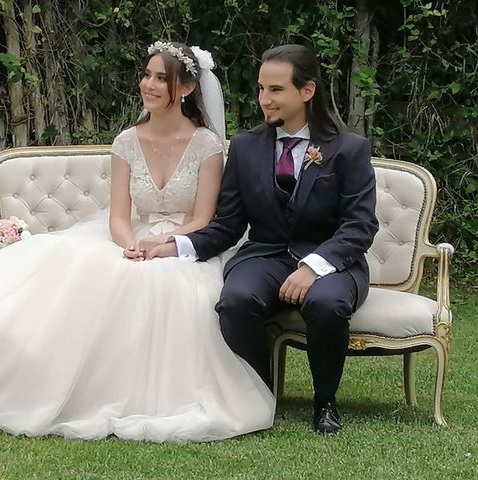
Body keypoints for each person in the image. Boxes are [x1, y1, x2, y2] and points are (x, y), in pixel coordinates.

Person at [0, 41, 275, 442]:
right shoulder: (127, 140)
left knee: (165, 285)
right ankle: (27, 379)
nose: (150, 84)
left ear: (187, 87)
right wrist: (129, 245)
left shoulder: (206, 145)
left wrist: (164, 244)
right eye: (146, 74)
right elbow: (120, 216)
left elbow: (203, 218)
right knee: (81, 270)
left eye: (162, 77)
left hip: (186, 241)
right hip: (129, 237)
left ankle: (133, 392)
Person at [148, 44, 378, 435]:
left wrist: (313, 267)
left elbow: (360, 226)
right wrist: (179, 245)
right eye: (260, 89)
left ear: (306, 92)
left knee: (326, 303)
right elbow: (229, 225)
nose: (264, 99)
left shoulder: (348, 149)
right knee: (236, 301)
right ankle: (259, 394)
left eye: (275, 90)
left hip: (330, 261)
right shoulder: (246, 147)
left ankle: (325, 403)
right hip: (266, 255)